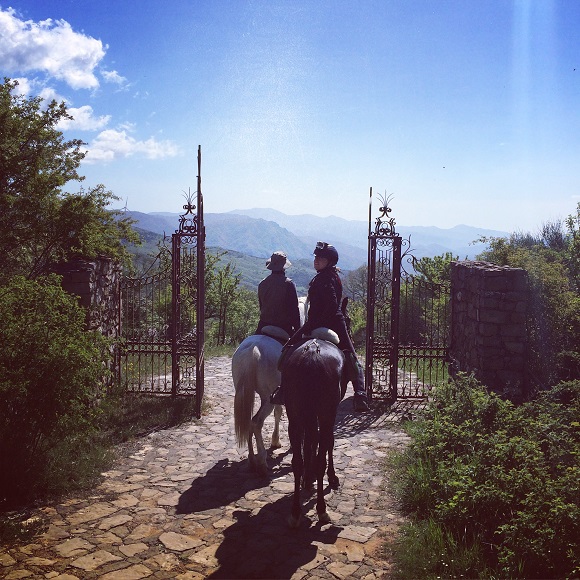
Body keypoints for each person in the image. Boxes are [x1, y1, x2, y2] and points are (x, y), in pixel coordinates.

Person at [271, 241, 370, 412]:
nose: (316, 260)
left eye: (321, 258)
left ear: (330, 261)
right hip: (317, 321)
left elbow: (331, 306)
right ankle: (360, 393)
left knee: (352, 356)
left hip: (332, 322)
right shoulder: (326, 275)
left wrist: (314, 323)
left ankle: (360, 393)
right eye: (316, 257)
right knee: (288, 348)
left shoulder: (327, 278)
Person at [255, 251, 301, 339]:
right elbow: (294, 310)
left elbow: (262, 307)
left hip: (263, 325)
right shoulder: (289, 284)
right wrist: (298, 332)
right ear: (284, 267)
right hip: (283, 327)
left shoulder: (262, 283)